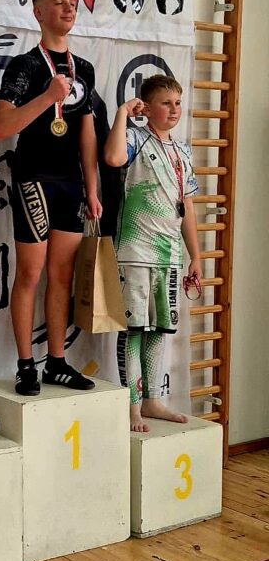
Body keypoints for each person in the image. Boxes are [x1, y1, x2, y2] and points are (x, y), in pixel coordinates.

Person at [0, 0, 102, 396]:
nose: (68, 8)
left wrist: (92, 188)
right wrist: (47, 97)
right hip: (33, 177)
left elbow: (87, 132)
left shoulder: (84, 69)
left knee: (62, 275)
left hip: (71, 183)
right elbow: (0, 127)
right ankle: (25, 365)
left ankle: (56, 361)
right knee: (30, 273)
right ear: (38, 12)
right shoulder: (25, 66)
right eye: (58, 2)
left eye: (72, 2)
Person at [104, 75, 202, 432]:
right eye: (165, 103)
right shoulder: (134, 138)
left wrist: (195, 255)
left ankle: (152, 400)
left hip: (169, 253)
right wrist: (122, 114)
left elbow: (187, 206)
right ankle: (132, 404)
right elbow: (112, 157)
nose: (174, 110)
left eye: (178, 103)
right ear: (146, 107)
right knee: (134, 329)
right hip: (135, 249)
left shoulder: (183, 151)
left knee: (160, 329)